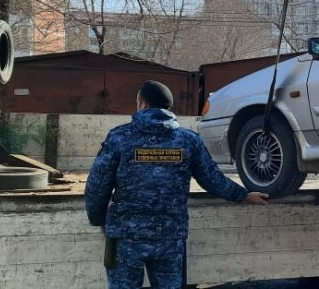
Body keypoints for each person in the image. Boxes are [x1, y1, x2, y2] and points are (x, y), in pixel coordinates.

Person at [85, 80, 268, 289]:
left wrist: (98, 219)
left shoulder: (119, 137)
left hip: (126, 237)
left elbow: (97, 185)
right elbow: (212, 179)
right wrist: (243, 195)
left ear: (143, 104)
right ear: (168, 108)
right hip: (170, 239)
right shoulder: (188, 140)